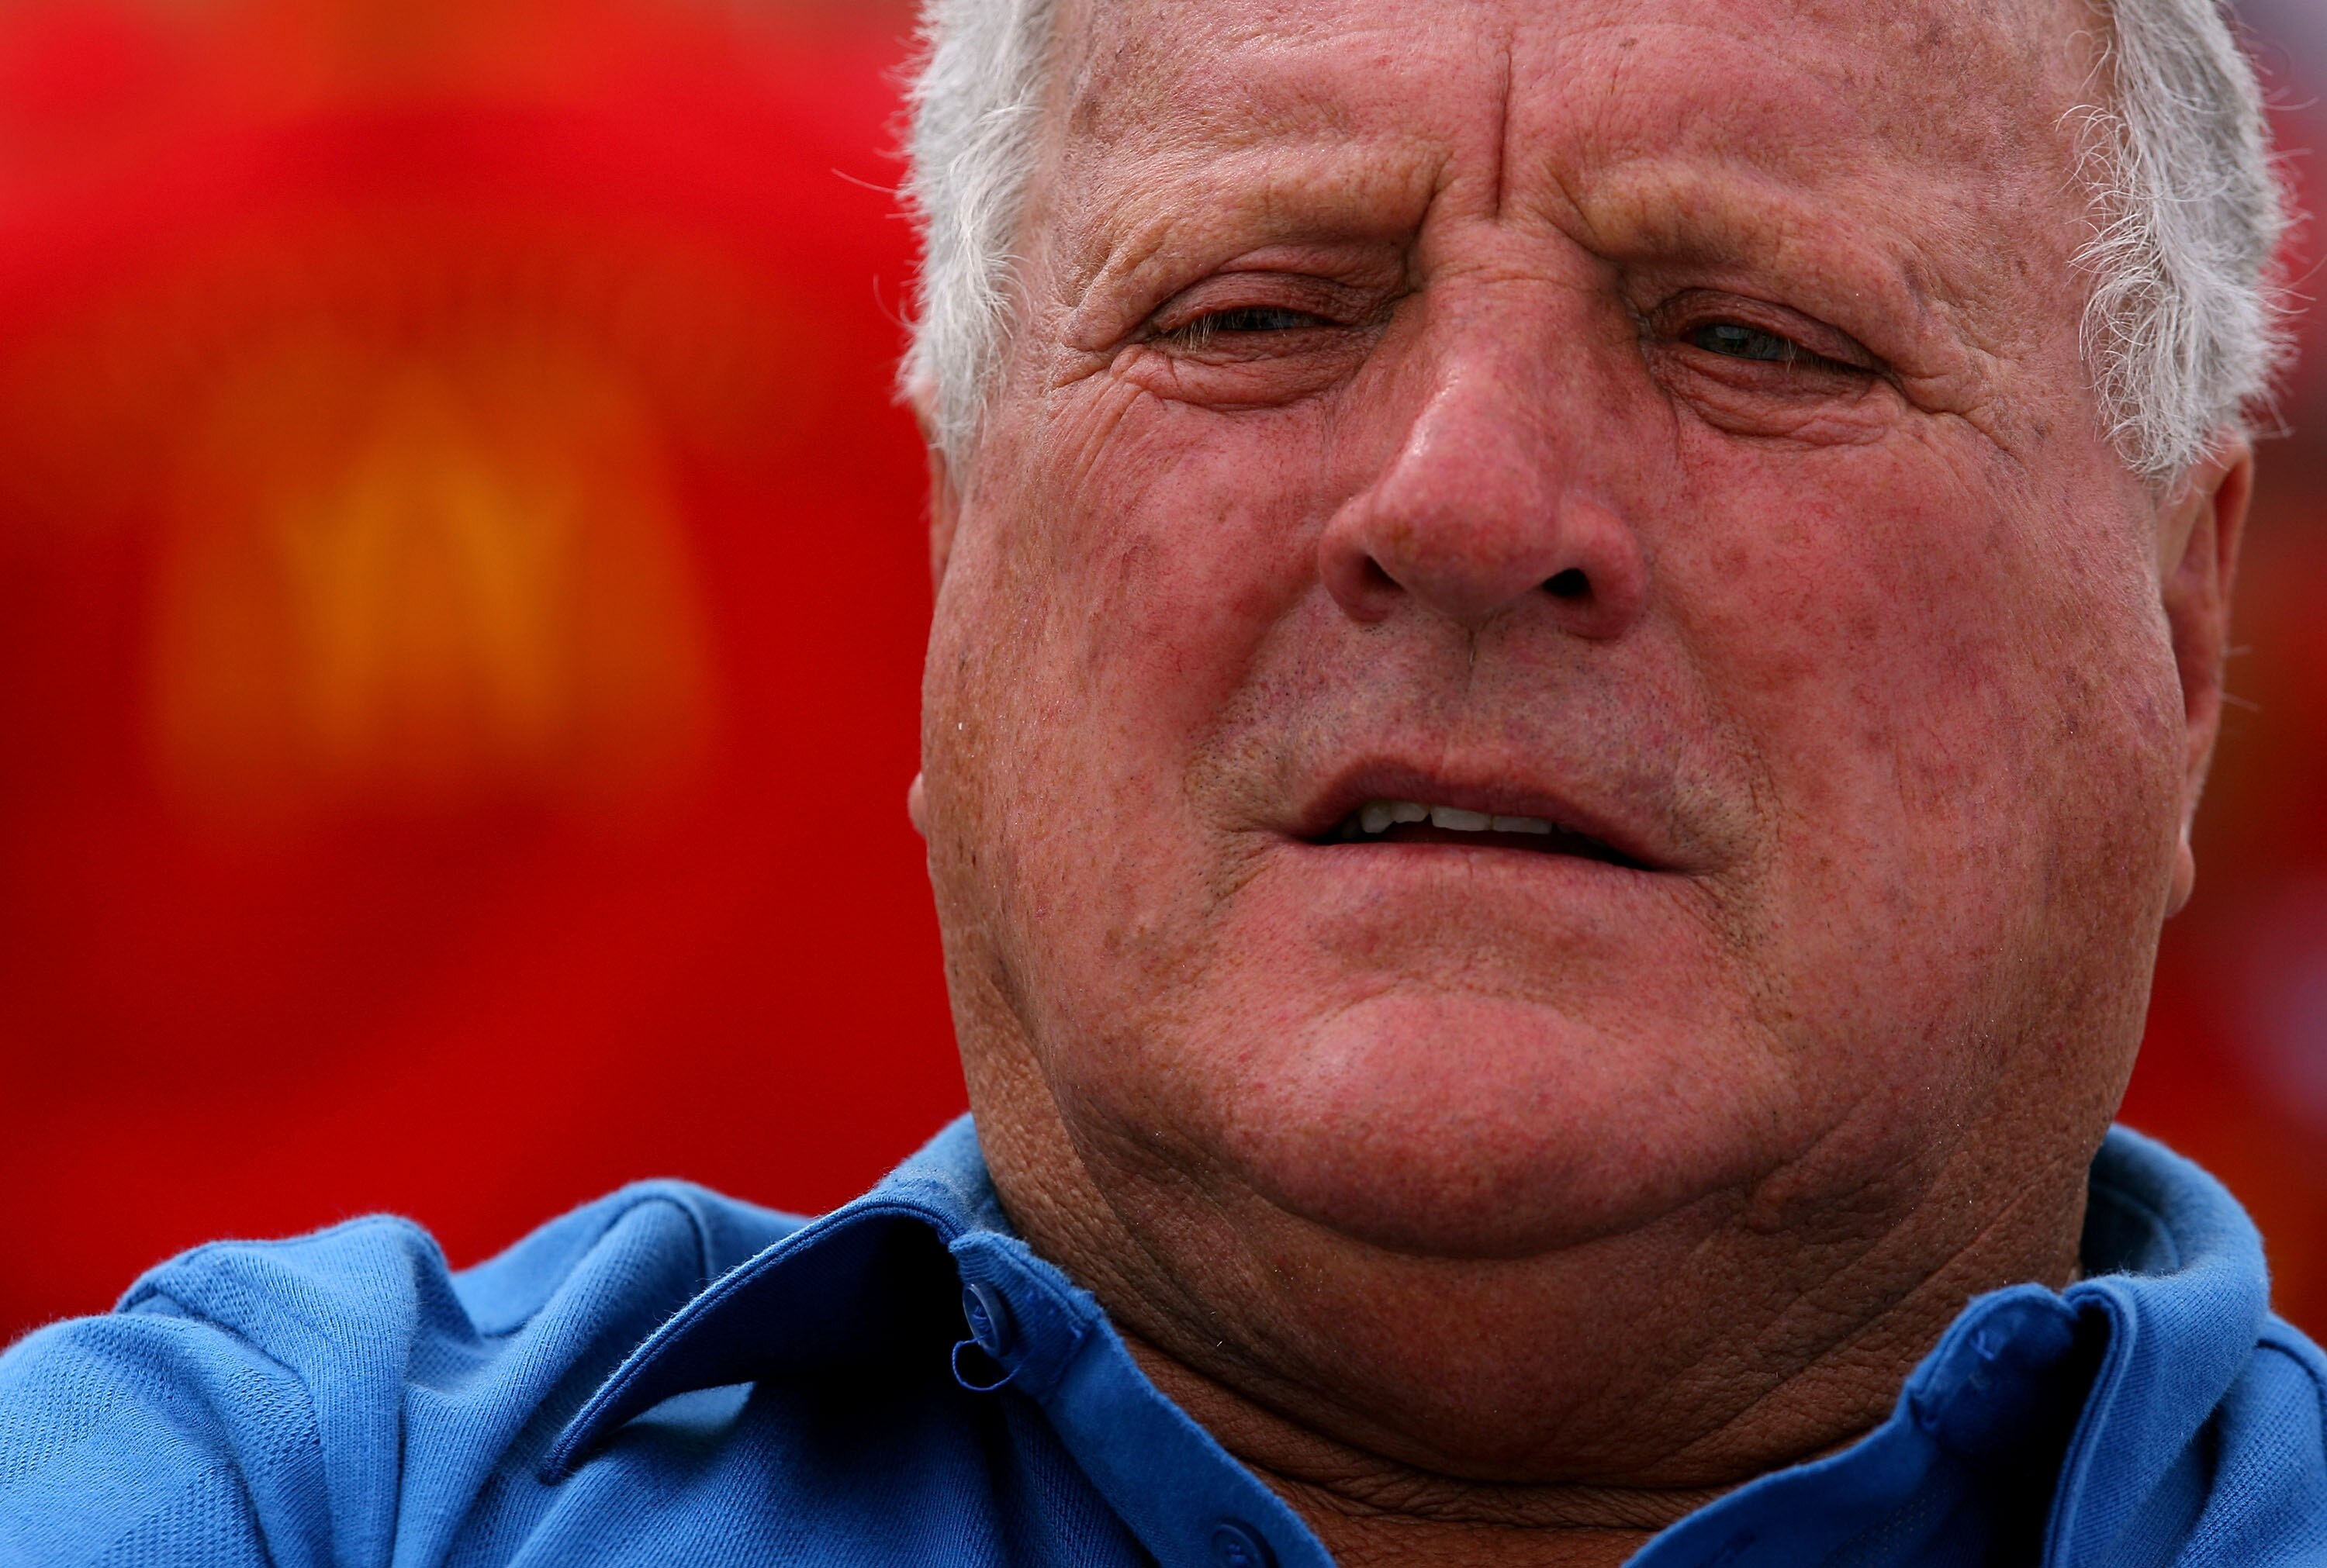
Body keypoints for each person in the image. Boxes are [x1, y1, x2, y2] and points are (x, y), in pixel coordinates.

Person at [2, 0, 2319, 1563]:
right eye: (1252, 314)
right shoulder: (265, 1493)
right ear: (952, 558)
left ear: (2184, 625)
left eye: (1756, 335)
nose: (1467, 499)